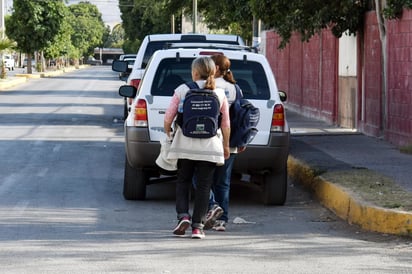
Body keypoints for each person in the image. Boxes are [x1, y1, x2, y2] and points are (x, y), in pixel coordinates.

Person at [164, 56, 230, 239]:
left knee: (183, 181)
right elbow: (225, 124)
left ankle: (183, 216)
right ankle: (197, 227)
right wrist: (225, 145)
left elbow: (168, 118)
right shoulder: (221, 93)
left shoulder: (182, 90)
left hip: (185, 145)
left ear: (194, 72)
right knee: (203, 186)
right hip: (210, 147)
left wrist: (168, 133)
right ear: (213, 72)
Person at [203, 54, 246, 232]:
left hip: (209, 141)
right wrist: (242, 140)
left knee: (202, 180)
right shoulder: (235, 88)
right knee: (223, 182)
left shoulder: (210, 87)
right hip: (231, 141)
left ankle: (212, 206)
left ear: (216, 69)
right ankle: (222, 220)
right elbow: (242, 118)